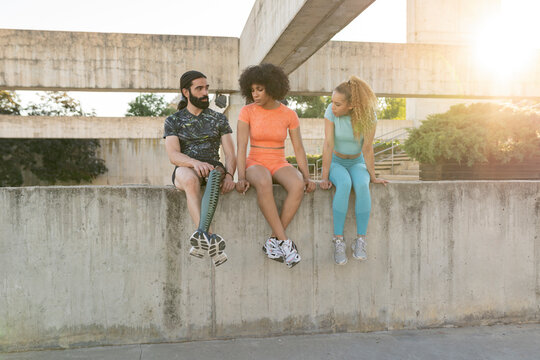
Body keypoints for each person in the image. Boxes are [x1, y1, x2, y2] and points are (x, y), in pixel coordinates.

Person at [236, 63, 316, 269]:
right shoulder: (247, 111)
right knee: (263, 182)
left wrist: (306, 177)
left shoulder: (289, 114)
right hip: (255, 161)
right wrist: (241, 176)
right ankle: (286, 242)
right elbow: (241, 146)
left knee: (297, 185)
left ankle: (273, 241)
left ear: (272, 88)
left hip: (279, 161)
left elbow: (299, 149)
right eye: (252, 90)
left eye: (259, 89)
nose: (254, 94)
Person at [164, 70, 236, 267]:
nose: (205, 92)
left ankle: (202, 237)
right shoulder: (174, 120)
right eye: (199, 88)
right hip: (186, 167)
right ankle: (210, 237)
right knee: (189, 179)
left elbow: (230, 153)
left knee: (215, 173)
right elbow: (173, 155)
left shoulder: (218, 119)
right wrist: (194, 163)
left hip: (214, 168)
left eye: (207, 88)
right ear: (186, 92)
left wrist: (229, 175)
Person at [319, 76, 388, 265]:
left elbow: (367, 149)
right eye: (332, 102)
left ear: (351, 105)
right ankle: (338, 240)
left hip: (357, 162)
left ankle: (360, 240)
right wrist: (324, 177)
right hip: (336, 162)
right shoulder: (330, 112)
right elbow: (328, 144)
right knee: (344, 183)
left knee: (362, 184)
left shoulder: (368, 116)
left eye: (338, 104)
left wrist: (373, 177)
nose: (333, 106)